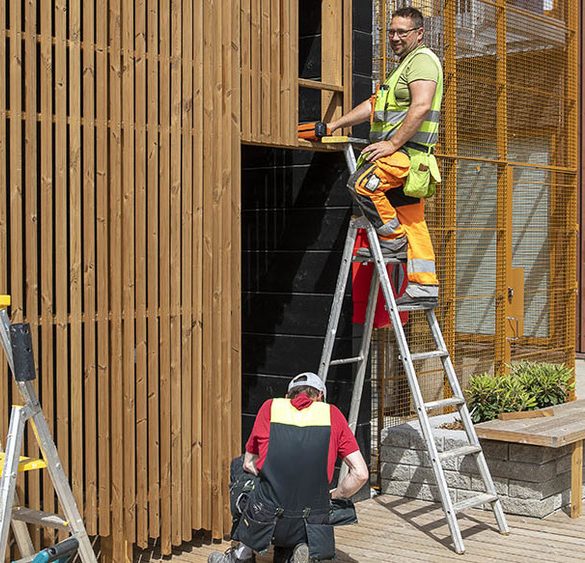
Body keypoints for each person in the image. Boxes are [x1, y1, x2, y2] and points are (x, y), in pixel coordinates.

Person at [326, 6, 443, 310]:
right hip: (405, 155)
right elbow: (373, 105)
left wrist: (392, 144)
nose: (394, 37)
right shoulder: (402, 68)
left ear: (419, 33)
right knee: (413, 220)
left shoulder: (422, 62)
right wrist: (337, 124)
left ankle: (391, 240)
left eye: (401, 32)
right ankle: (424, 287)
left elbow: (420, 106)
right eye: (390, 31)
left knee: (363, 183)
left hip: (407, 154)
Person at [208, 372, 368, 563]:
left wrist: (272, 480)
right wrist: (334, 496)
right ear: (320, 397)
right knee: (305, 504)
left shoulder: (271, 407)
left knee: (239, 467)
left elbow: (248, 463)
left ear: (287, 397)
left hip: (268, 516)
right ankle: (300, 548)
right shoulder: (331, 413)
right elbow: (361, 474)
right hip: (312, 520)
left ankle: (243, 554)